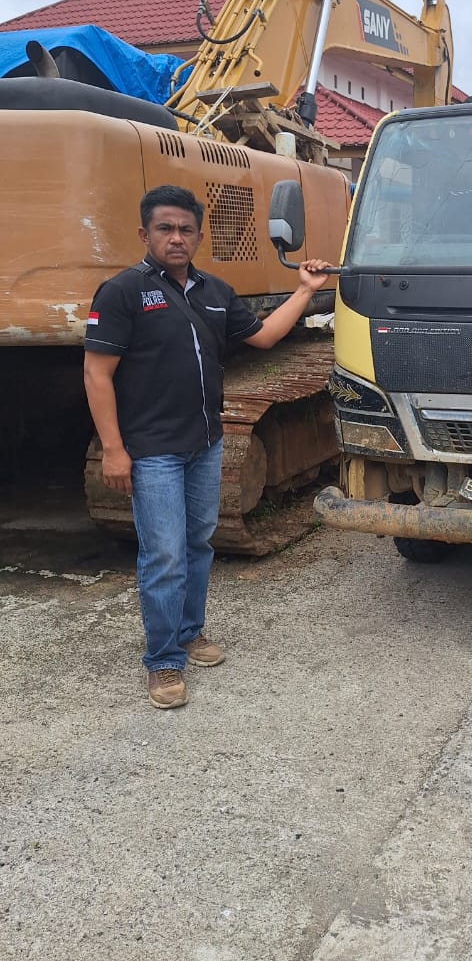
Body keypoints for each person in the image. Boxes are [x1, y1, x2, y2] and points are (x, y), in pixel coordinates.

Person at [83, 184, 331, 710]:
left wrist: (306, 290)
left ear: (198, 234)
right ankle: (164, 661)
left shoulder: (215, 290)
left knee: (199, 542)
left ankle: (190, 632)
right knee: (164, 553)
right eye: (165, 228)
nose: (177, 238)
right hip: (152, 450)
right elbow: (96, 373)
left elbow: (263, 337)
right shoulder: (122, 292)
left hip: (205, 443)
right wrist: (112, 448)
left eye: (186, 229)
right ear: (144, 234)